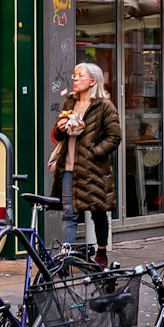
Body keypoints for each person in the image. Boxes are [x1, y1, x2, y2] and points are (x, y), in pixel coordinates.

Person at [51, 62, 122, 260]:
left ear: (93, 81)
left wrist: (94, 152)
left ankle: (101, 253)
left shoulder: (104, 106)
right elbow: (57, 133)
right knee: (69, 213)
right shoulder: (69, 103)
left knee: (97, 211)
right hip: (69, 167)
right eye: (74, 75)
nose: (75, 79)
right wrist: (61, 128)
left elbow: (114, 137)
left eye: (80, 75)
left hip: (94, 169)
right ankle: (65, 258)